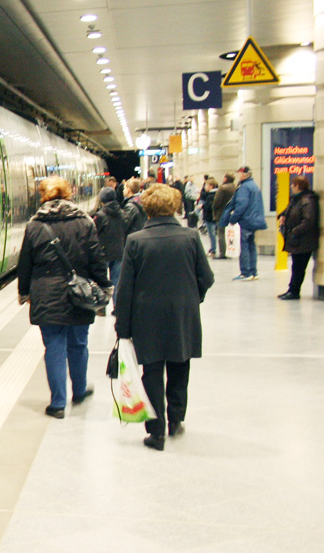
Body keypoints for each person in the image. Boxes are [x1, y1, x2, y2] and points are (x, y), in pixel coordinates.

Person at [115, 184, 215, 451]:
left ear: (147, 208)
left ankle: (156, 432)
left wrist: (122, 327)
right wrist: (194, 298)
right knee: (180, 366)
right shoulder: (191, 237)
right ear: (174, 206)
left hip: (146, 318)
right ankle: (176, 418)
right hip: (183, 314)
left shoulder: (135, 241)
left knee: (152, 372)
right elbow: (207, 278)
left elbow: (125, 290)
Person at [17, 177, 110, 419]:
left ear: (43, 196)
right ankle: (79, 391)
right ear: (69, 193)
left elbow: (25, 264)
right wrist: (104, 287)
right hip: (79, 292)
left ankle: (58, 403)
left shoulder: (35, 225)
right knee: (78, 344)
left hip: (46, 293)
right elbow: (96, 259)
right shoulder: (84, 222)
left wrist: (24, 292)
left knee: (54, 347)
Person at [219, 166, 267, 280]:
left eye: (240, 173)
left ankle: (246, 272)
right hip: (254, 220)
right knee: (251, 246)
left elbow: (241, 205)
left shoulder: (244, 187)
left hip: (245, 221)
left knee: (244, 246)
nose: (238, 176)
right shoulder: (254, 186)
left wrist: (232, 219)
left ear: (245, 175)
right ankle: (254, 271)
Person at [276, 175, 320, 300]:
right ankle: (292, 289)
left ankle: (294, 291)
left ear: (298, 186)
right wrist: (282, 216)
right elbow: (288, 210)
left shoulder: (307, 200)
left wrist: (294, 232)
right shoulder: (296, 199)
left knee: (299, 267)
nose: (291, 187)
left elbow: (308, 220)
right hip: (296, 240)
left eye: (293, 184)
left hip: (303, 240)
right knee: (295, 266)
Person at [91, 187, 125, 316]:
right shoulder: (122, 213)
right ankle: (117, 308)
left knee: (101, 281)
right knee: (116, 281)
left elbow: (95, 233)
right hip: (118, 252)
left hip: (103, 253)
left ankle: (101, 308)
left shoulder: (100, 215)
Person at [211, 172, 236, 258]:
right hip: (232, 213)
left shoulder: (222, 188)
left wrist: (213, 208)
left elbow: (217, 201)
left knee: (221, 233)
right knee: (230, 233)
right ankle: (231, 251)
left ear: (225, 178)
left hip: (221, 213)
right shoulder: (235, 187)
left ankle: (223, 253)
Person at [199, 177, 218, 255]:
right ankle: (212, 248)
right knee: (211, 234)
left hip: (210, 217)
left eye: (206, 185)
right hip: (212, 217)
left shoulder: (211, 196)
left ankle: (213, 249)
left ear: (211, 186)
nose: (205, 187)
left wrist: (202, 206)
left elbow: (209, 207)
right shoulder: (213, 194)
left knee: (211, 234)